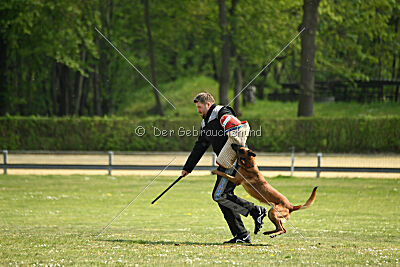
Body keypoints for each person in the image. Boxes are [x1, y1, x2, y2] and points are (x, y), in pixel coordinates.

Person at [181, 92, 267, 244]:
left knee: (219, 195)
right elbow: (200, 145)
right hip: (225, 163)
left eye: (200, 107)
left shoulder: (222, 113)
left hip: (233, 162)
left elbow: (237, 129)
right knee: (223, 198)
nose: (198, 111)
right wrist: (188, 167)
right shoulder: (205, 122)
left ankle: (256, 211)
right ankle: (242, 235)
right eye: (197, 108)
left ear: (208, 104)